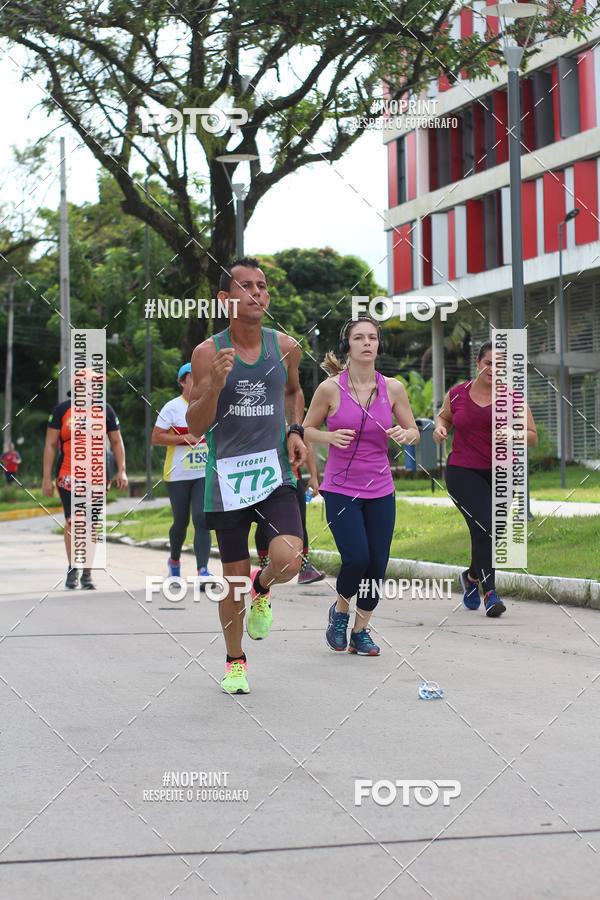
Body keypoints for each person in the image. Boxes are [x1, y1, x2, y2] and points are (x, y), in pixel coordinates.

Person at [186, 256, 307, 695]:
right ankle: (235, 662)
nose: (257, 293)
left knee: (290, 560)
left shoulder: (285, 346)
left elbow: (294, 391)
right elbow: (195, 425)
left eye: (262, 285)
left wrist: (294, 429)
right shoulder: (207, 353)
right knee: (233, 580)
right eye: (246, 286)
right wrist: (216, 386)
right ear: (225, 298)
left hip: (274, 474)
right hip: (227, 481)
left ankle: (264, 584)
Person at [303, 316, 419, 656]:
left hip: (381, 488)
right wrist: (328, 437)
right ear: (347, 346)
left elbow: (414, 431)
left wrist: (405, 434)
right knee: (356, 558)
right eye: (359, 338)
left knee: (377, 564)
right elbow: (304, 429)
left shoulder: (393, 388)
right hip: (341, 488)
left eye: (372, 337)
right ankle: (340, 612)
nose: (367, 342)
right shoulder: (330, 389)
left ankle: (361, 631)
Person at [433, 340, 538, 617]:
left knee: (492, 532)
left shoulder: (513, 398)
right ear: (478, 363)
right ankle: (490, 593)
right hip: (463, 471)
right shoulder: (457, 394)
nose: (493, 369)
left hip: (504, 473)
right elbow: (443, 418)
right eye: (489, 363)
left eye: (500, 366)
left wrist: (513, 434)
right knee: (485, 526)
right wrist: (439, 429)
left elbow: (532, 436)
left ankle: (470, 578)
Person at [42, 378, 128, 589]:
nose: (95, 388)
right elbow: (50, 444)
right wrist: (46, 477)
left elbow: (116, 441)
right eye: (90, 384)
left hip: (98, 476)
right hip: (68, 474)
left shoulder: (106, 410)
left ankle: (87, 573)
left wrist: (122, 471)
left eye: (97, 385)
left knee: (91, 523)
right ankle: (73, 568)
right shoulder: (62, 410)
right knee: (73, 521)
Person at [152, 362, 213, 581]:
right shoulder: (172, 407)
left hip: (202, 473)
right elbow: (156, 437)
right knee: (181, 522)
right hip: (177, 475)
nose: (198, 382)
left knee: (202, 518)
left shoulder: (210, 405)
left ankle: (202, 570)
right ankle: (174, 561)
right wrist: (183, 438)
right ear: (182, 382)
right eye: (192, 378)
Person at [255, 439, 325, 585]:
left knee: (299, 521)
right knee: (264, 521)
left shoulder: (295, 427)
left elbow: (306, 444)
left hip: (293, 476)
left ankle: (304, 567)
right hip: (265, 476)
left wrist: (313, 476)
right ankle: (264, 564)